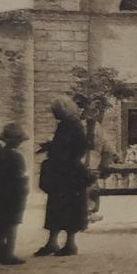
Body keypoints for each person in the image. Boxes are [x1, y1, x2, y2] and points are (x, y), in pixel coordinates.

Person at [35, 95, 91, 257]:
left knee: (67, 207)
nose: (54, 115)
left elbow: (77, 147)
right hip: (63, 171)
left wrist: (55, 150)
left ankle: (69, 243)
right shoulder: (68, 124)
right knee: (57, 206)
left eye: (56, 112)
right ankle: (53, 242)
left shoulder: (72, 126)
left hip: (69, 172)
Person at [0, 123, 29, 264]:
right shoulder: (17, 157)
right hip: (14, 195)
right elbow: (20, 176)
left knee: (2, 224)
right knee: (12, 225)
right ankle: (9, 253)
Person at [76, 95, 118, 223]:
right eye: (91, 112)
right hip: (79, 160)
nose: (93, 115)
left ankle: (90, 212)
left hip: (94, 160)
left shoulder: (97, 127)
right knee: (81, 187)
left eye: (95, 112)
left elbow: (105, 143)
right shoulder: (77, 126)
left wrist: (113, 154)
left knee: (93, 186)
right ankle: (83, 213)